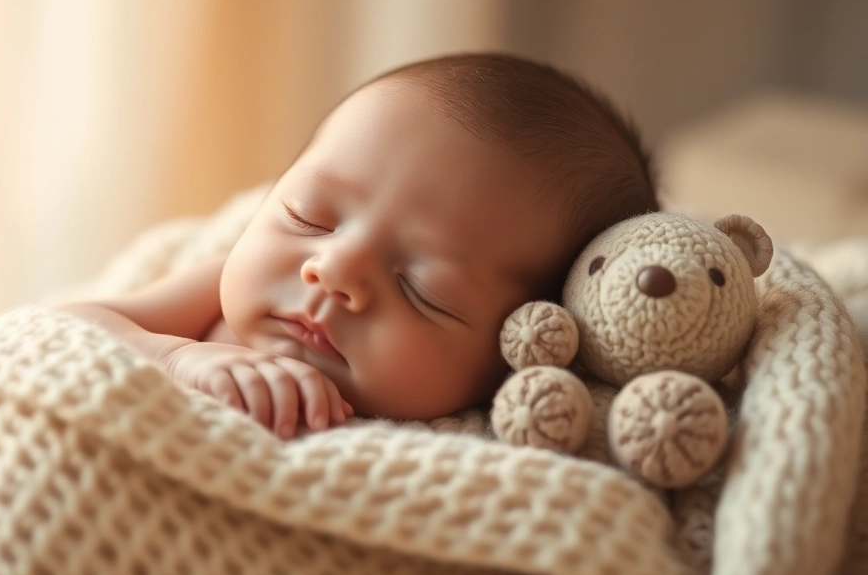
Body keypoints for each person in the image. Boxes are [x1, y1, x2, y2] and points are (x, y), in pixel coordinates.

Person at [62, 53, 658, 438]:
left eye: (422, 289)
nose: (333, 269)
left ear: (515, 351)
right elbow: (65, 327)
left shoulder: (473, 445)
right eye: (309, 217)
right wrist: (173, 359)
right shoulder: (210, 300)